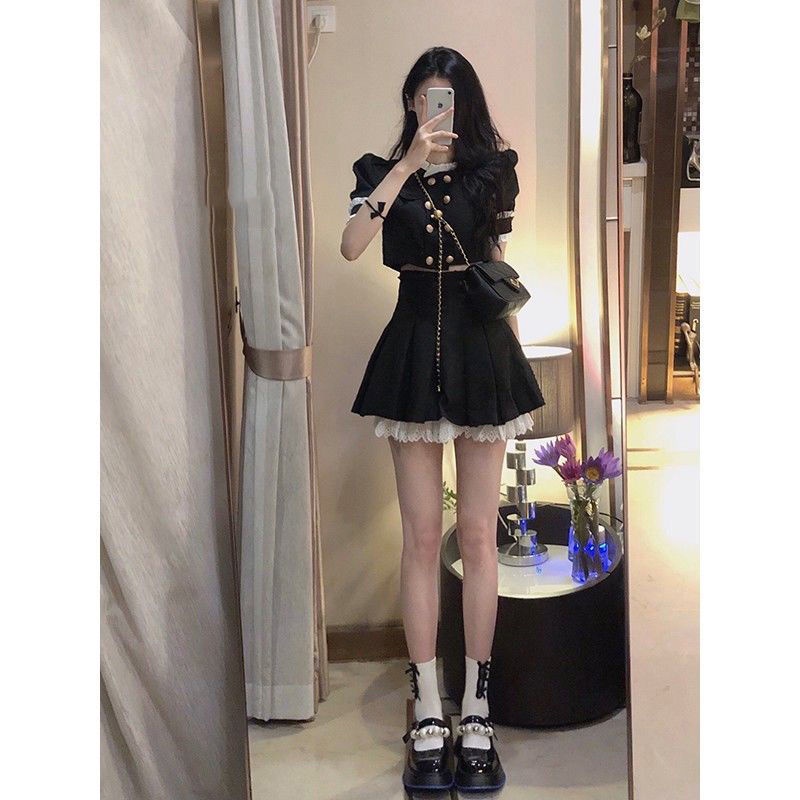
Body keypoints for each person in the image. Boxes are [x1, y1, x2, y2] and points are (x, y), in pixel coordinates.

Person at [340, 46, 546, 793]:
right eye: (426, 98)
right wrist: (407, 165)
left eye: (448, 99)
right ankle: (428, 703)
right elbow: (351, 245)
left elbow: (496, 262)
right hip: (409, 354)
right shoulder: (379, 173)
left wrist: (513, 375)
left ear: (466, 104)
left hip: (481, 351)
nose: (437, 112)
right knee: (422, 538)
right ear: (410, 103)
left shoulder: (493, 173)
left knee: (480, 538)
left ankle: (478, 708)